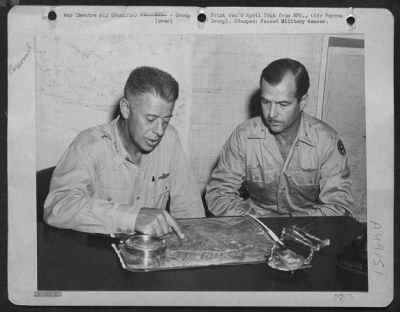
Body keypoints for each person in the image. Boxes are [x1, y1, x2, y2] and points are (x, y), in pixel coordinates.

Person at [44, 66, 205, 237]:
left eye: (166, 121)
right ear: (126, 109)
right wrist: (132, 218)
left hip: (149, 255)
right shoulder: (88, 145)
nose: (159, 130)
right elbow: (57, 206)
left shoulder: (170, 140)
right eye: (151, 119)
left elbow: (191, 214)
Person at [206, 58, 353, 217]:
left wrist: (290, 226)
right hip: (253, 223)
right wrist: (256, 222)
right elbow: (219, 193)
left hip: (307, 228)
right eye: (266, 102)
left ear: (302, 102)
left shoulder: (326, 141)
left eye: (283, 104)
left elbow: (338, 206)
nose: (271, 114)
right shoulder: (244, 135)